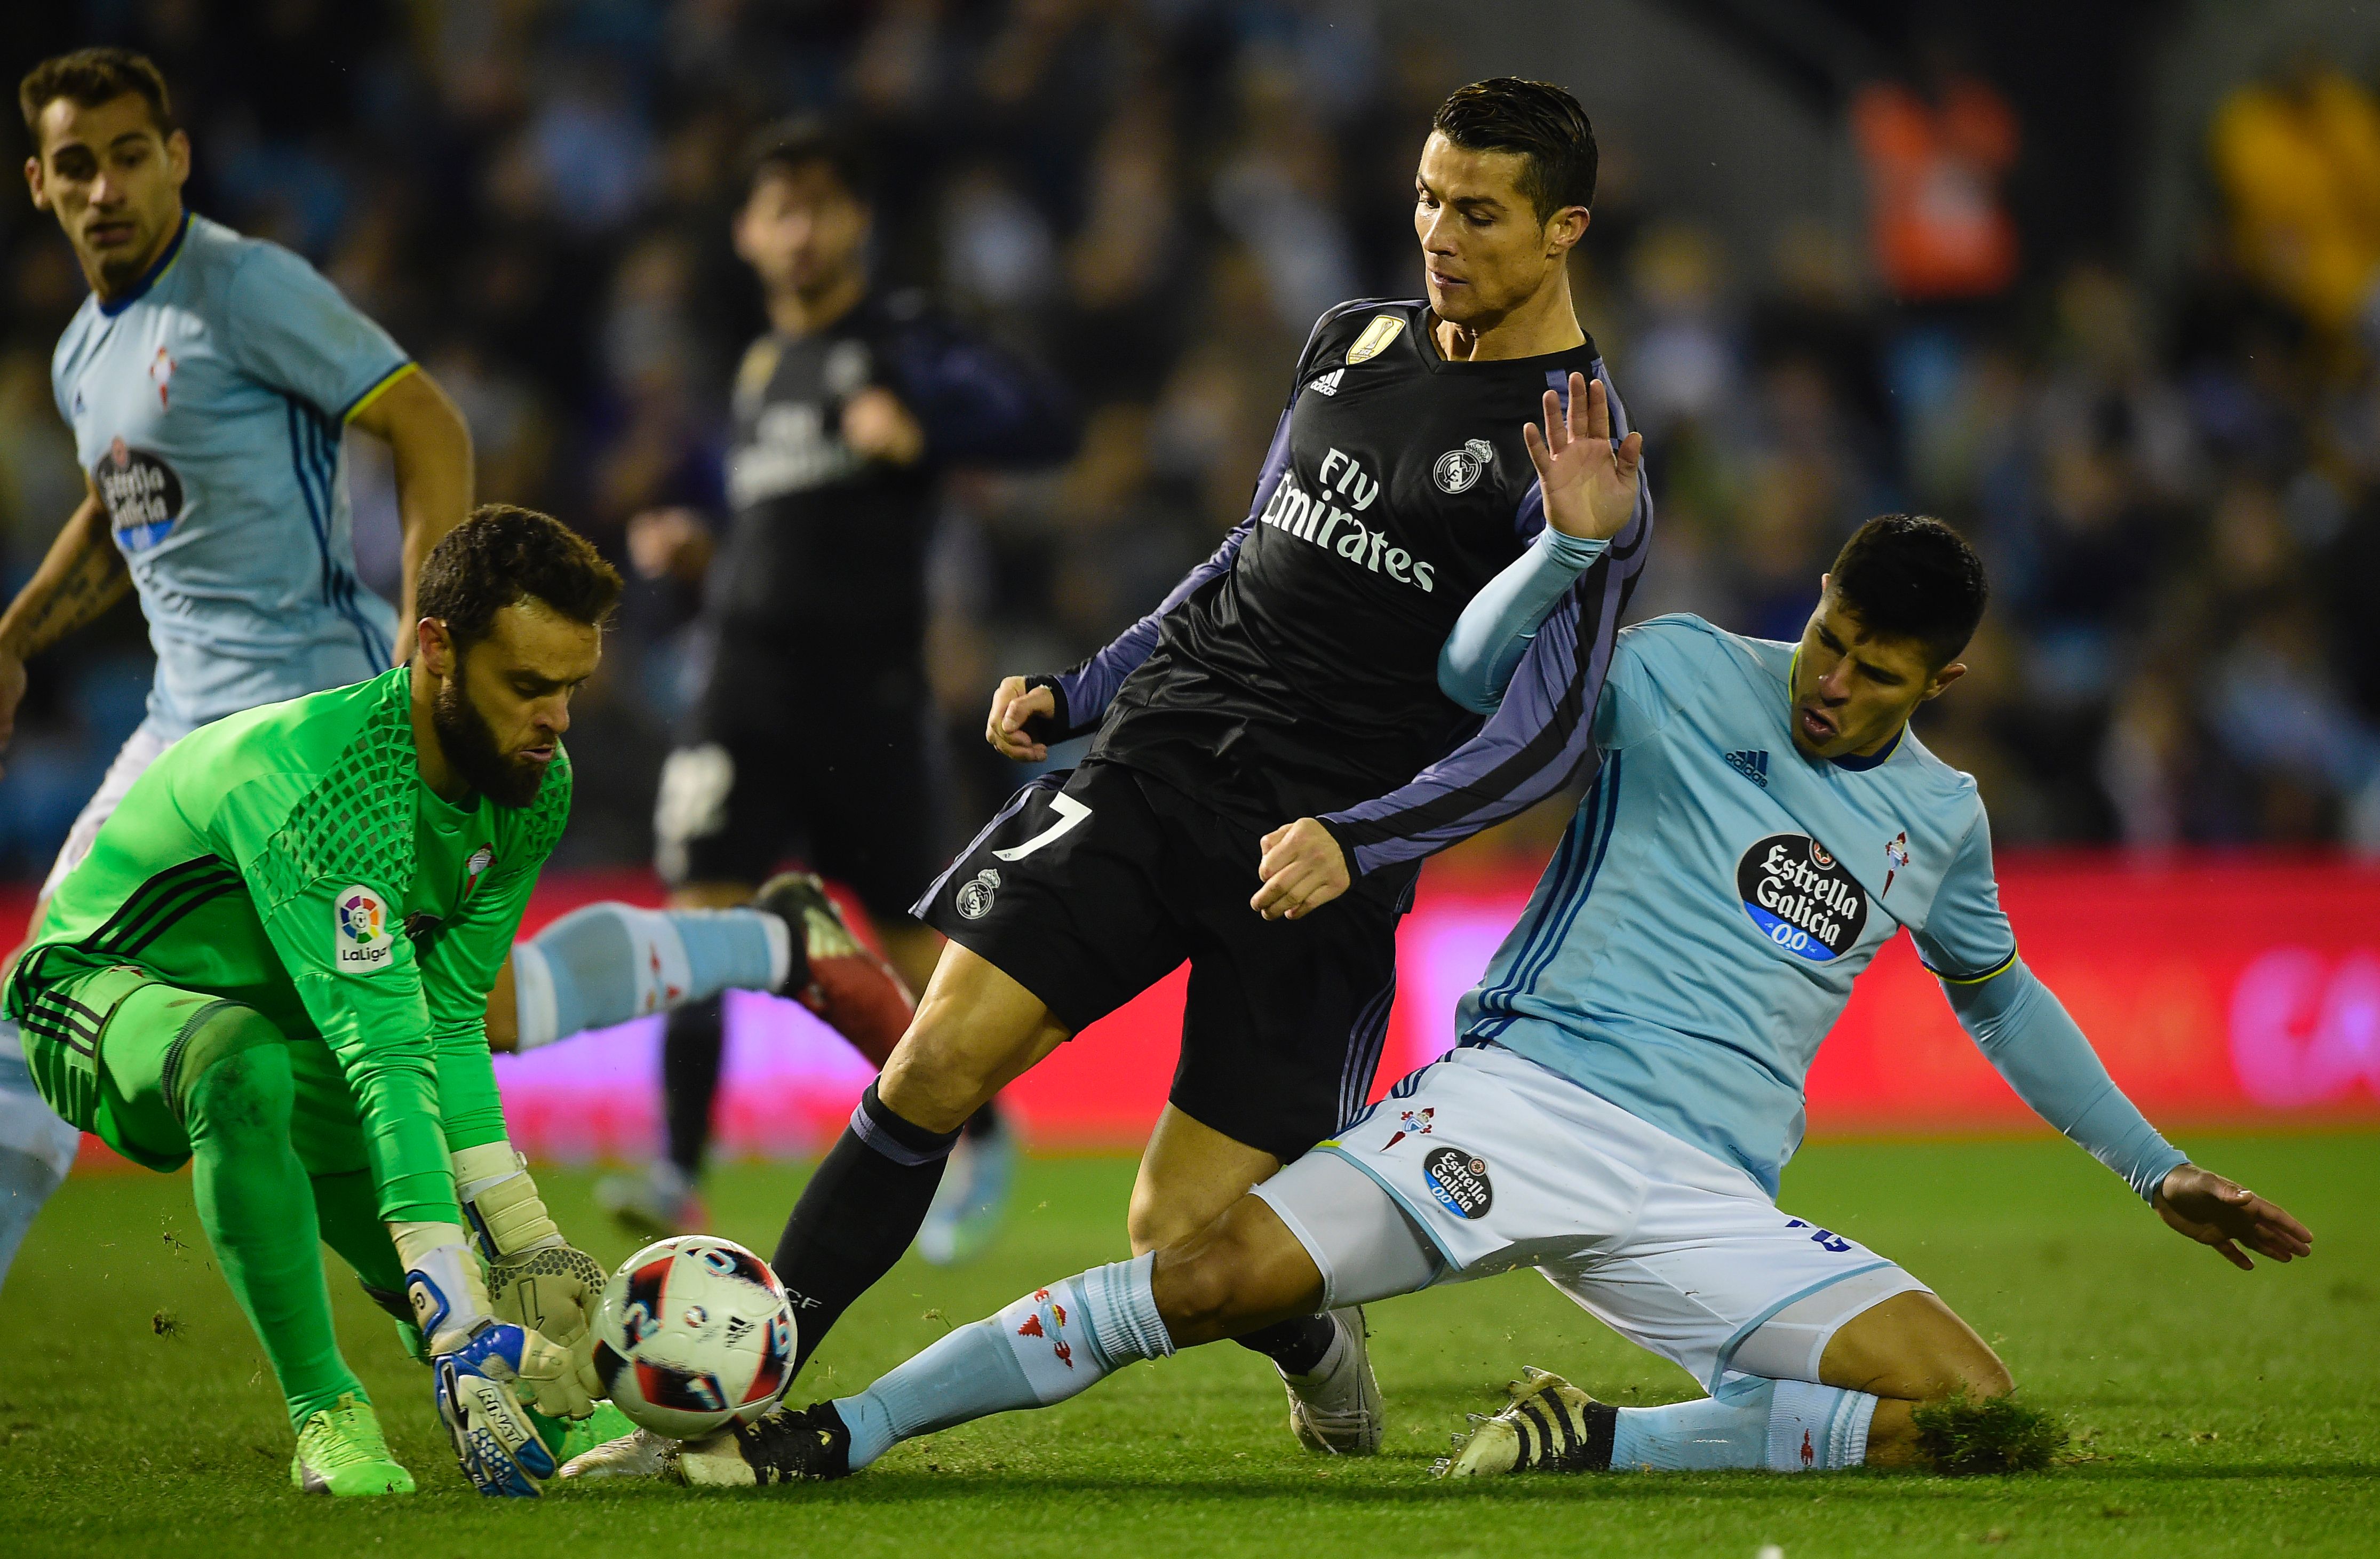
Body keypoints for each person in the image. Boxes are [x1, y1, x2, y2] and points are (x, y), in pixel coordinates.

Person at [614, 515, 2314, 1488]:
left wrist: (2151, 1167)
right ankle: (841, 1427)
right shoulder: (1669, 674)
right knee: (1198, 1273)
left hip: (1702, 1188)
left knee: (1969, 1407)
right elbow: (1465, 674)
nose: (1830, 677)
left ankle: (1592, 1445)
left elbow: (2002, 1002)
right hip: (1510, 1103)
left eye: (1874, 669)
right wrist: (1566, 552)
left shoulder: (1937, 820)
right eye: (1823, 636)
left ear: (1941, 683)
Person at [566, 75, 1656, 1479]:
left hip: (1311, 850)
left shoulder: (1579, 452)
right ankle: (722, 1403)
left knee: (1177, 1237)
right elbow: (1242, 557)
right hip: (1159, 760)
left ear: (1564, 226)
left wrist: (1364, 835)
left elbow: (1549, 727)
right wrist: (1084, 692)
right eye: (1428, 197)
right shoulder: (1349, 339)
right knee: (935, 1063)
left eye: (1480, 212)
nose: (1439, 232)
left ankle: (1313, 1337)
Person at [4, 506, 630, 1497]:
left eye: (571, 688)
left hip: (301, 1021)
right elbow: (387, 1061)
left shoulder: (527, 783)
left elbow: (450, 1017)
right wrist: (460, 1305)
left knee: (395, 1207)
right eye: (527, 686)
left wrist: (524, 1235)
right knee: (238, 1062)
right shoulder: (323, 789)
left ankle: (481, 1359)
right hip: (96, 991)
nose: (554, 721)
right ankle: (325, 1412)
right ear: (435, 649)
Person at [0, 47, 476, 1289]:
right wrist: (16, 634)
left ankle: (486, 1325)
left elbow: (424, 419)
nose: (106, 187)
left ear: (179, 161)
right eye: (77, 165)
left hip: (308, 717)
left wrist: (425, 651)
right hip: (179, 737)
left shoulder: (245, 288)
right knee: (43, 998)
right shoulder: (78, 356)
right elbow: (123, 511)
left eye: (130, 156)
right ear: (39, 185)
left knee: (399, 1053)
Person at [600, 117, 1080, 1260]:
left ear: (857, 221)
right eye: (780, 210)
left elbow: (1046, 424)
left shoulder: (902, 342)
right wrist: (705, 559)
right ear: (747, 234)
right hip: (742, 692)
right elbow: (792, 531)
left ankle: (979, 1127)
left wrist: (926, 427)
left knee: (918, 951)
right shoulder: (761, 371)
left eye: (821, 205)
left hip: (863, 699)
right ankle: (675, 1170)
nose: (801, 231)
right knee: (697, 918)